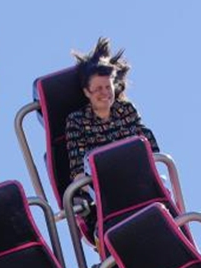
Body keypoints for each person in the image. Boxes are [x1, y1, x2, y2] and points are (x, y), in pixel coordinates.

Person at [65, 37, 159, 182]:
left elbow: (149, 145)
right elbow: (78, 171)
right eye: (98, 89)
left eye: (108, 87)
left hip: (137, 175)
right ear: (87, 92)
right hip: (102, 184)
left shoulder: (126, 110)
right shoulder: (77, 121)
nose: (104, 93)